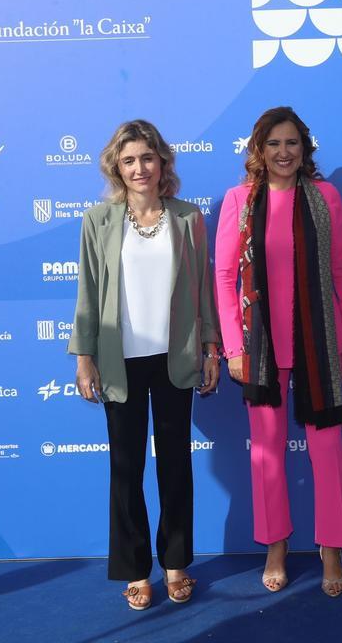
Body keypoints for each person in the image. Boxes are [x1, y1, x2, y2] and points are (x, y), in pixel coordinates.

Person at [69, 119, 221, 611]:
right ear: (117, 166)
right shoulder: (98, 221)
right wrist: (85, 358)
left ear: (163, 164)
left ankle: (175, 564)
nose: (139, 168)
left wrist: (212, 348)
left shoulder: (188, 218)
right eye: (129, 159)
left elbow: (203, 290)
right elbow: (88, 296)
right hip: (119, 362)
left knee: (175, 466)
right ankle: (135, 570)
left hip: (175, 359)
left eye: (148, 158)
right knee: (126, 468)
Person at [214, 107, 342, 598]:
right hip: (260, 346)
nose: (283, 152)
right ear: (258, 150)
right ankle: (275, 546)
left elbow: (339, 271)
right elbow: (224, 277)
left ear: (305, 149)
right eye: (273, 144)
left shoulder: (325, 197)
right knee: (268, 454)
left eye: (292, 143)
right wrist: (234, 346)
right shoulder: (238, 200)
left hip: (317, 341)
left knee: (328, 451)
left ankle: (332, 547)